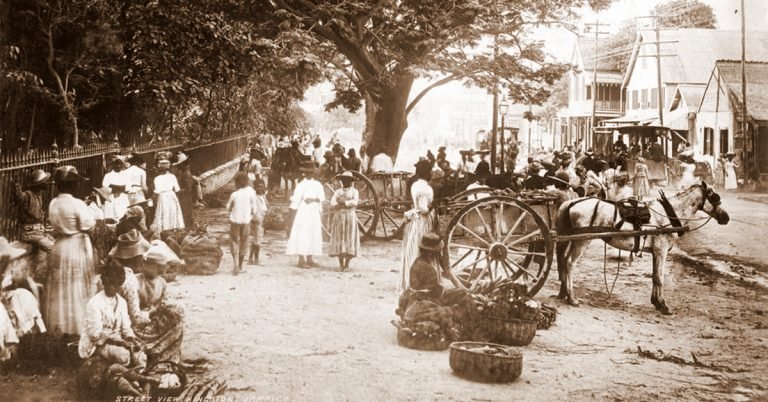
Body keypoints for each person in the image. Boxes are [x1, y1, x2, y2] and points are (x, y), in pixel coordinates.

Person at [78, 259, 147, 396]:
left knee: (141, 355)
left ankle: (132, 380)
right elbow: (95, 334)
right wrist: (120, 342)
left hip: (117, 340)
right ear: (103, 282)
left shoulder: (121, 302)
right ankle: (131, 381)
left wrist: (132, 339)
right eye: (108, 284)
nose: (112, 288)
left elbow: (126, 327)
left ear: (120, 284)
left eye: (115, 285)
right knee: (124, 356)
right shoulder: (95, 303)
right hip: (97, 344)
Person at [46, 166, 97, 335]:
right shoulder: (77, 203)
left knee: (61, 287)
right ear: (71, 186)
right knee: (77, 285)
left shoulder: (53, 203)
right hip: (76, 246)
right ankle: (78, 327)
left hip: (60, 246)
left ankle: (59, 326)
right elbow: (88, 224)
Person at [396, 233, 468, 339]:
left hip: (415, 297)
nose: (439, 254)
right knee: (462, 295)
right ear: (432, 253)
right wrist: (452, 292)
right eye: (438, 252)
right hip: (424, 300)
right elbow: (436, 293)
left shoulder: (418, 262)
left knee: (457, 293)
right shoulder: (426, 268)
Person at [398, 160, 435, 295]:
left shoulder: (415, 185)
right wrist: (434, 205)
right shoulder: (425, 188)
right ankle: (422, 281)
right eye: (430, 171)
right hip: (422, 221)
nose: (432, 173)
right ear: (427, 173)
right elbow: (424, 209)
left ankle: (410, 279)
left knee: (412, 247)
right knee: (421, 248)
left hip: (414, 220)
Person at [286, 166, 325, 268]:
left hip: (314, 210)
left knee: (313, 232)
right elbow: (296, 199)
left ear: (313, 173)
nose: (309, 175)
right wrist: (292, 210)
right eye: (307, 173)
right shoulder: (301, 185)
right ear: (304, 173)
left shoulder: (317, 184)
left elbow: (322, 198)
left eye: (311, 172)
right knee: (303, 233)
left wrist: (313, 200)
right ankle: (301, 259)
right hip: (304, 211)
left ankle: (310, 258)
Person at [12, 169, 54, 253]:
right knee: (55, 249)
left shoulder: (38, 194)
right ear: (38, 184)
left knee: (57, 244)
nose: (46, 183)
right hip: (30, 233)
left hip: (38, 232)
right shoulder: (28, 195)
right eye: (44, 181)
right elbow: (19, 197)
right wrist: (16, 184)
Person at [227, 172, 259, 275]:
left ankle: (235, 264)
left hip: (235, 221)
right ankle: (240, 266)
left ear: (237, 183)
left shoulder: (234, 194)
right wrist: (250, 215)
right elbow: (254, 209)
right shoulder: (251, 193)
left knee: (234, 241)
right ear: (247, 182)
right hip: (246, 221)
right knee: (244, 242)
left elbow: (228, 207)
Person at [329, 171, 361, 271]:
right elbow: (332, 201)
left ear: (351, 182)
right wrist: (337, 205)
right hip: (339, 216)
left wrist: (345, 202)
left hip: (350, 216)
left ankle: (347, 264)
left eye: (347, 180)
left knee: (349, 238)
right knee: (340, 237)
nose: (345, 182)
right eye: (344, 180)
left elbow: (355, 202)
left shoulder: (354, 191)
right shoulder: (338, 191)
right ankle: (340, 264)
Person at [151, 154, 185, 235]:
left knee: (164, 212)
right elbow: (177, 189)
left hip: (162, 197)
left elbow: (157, 191)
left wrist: (153, 198)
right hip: (171, 195)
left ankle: (165, 229)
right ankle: (174, 228)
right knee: (173, 211)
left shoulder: (157, 179)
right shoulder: (172, 176)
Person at [248, 180, 269, 265]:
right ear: (255, 187)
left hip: (262, 220)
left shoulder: (263, 196)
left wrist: (266, 219)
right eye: (258, 186)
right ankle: (256, 259)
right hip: (256, 220)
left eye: (262, 186)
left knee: (255, 240)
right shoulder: (253, 197)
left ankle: (250, 259)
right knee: (257, 240)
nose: (260, 188)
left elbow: (266, 207)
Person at [173, 152, 196, 229]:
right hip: (183, 197)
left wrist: (178, 191)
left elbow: (188, 189)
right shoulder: (183, 173)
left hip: (185, 197)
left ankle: (187, 227)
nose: (178, 166)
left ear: (183, 164)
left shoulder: (186, 174)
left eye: (180, 165)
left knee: (186, 213)